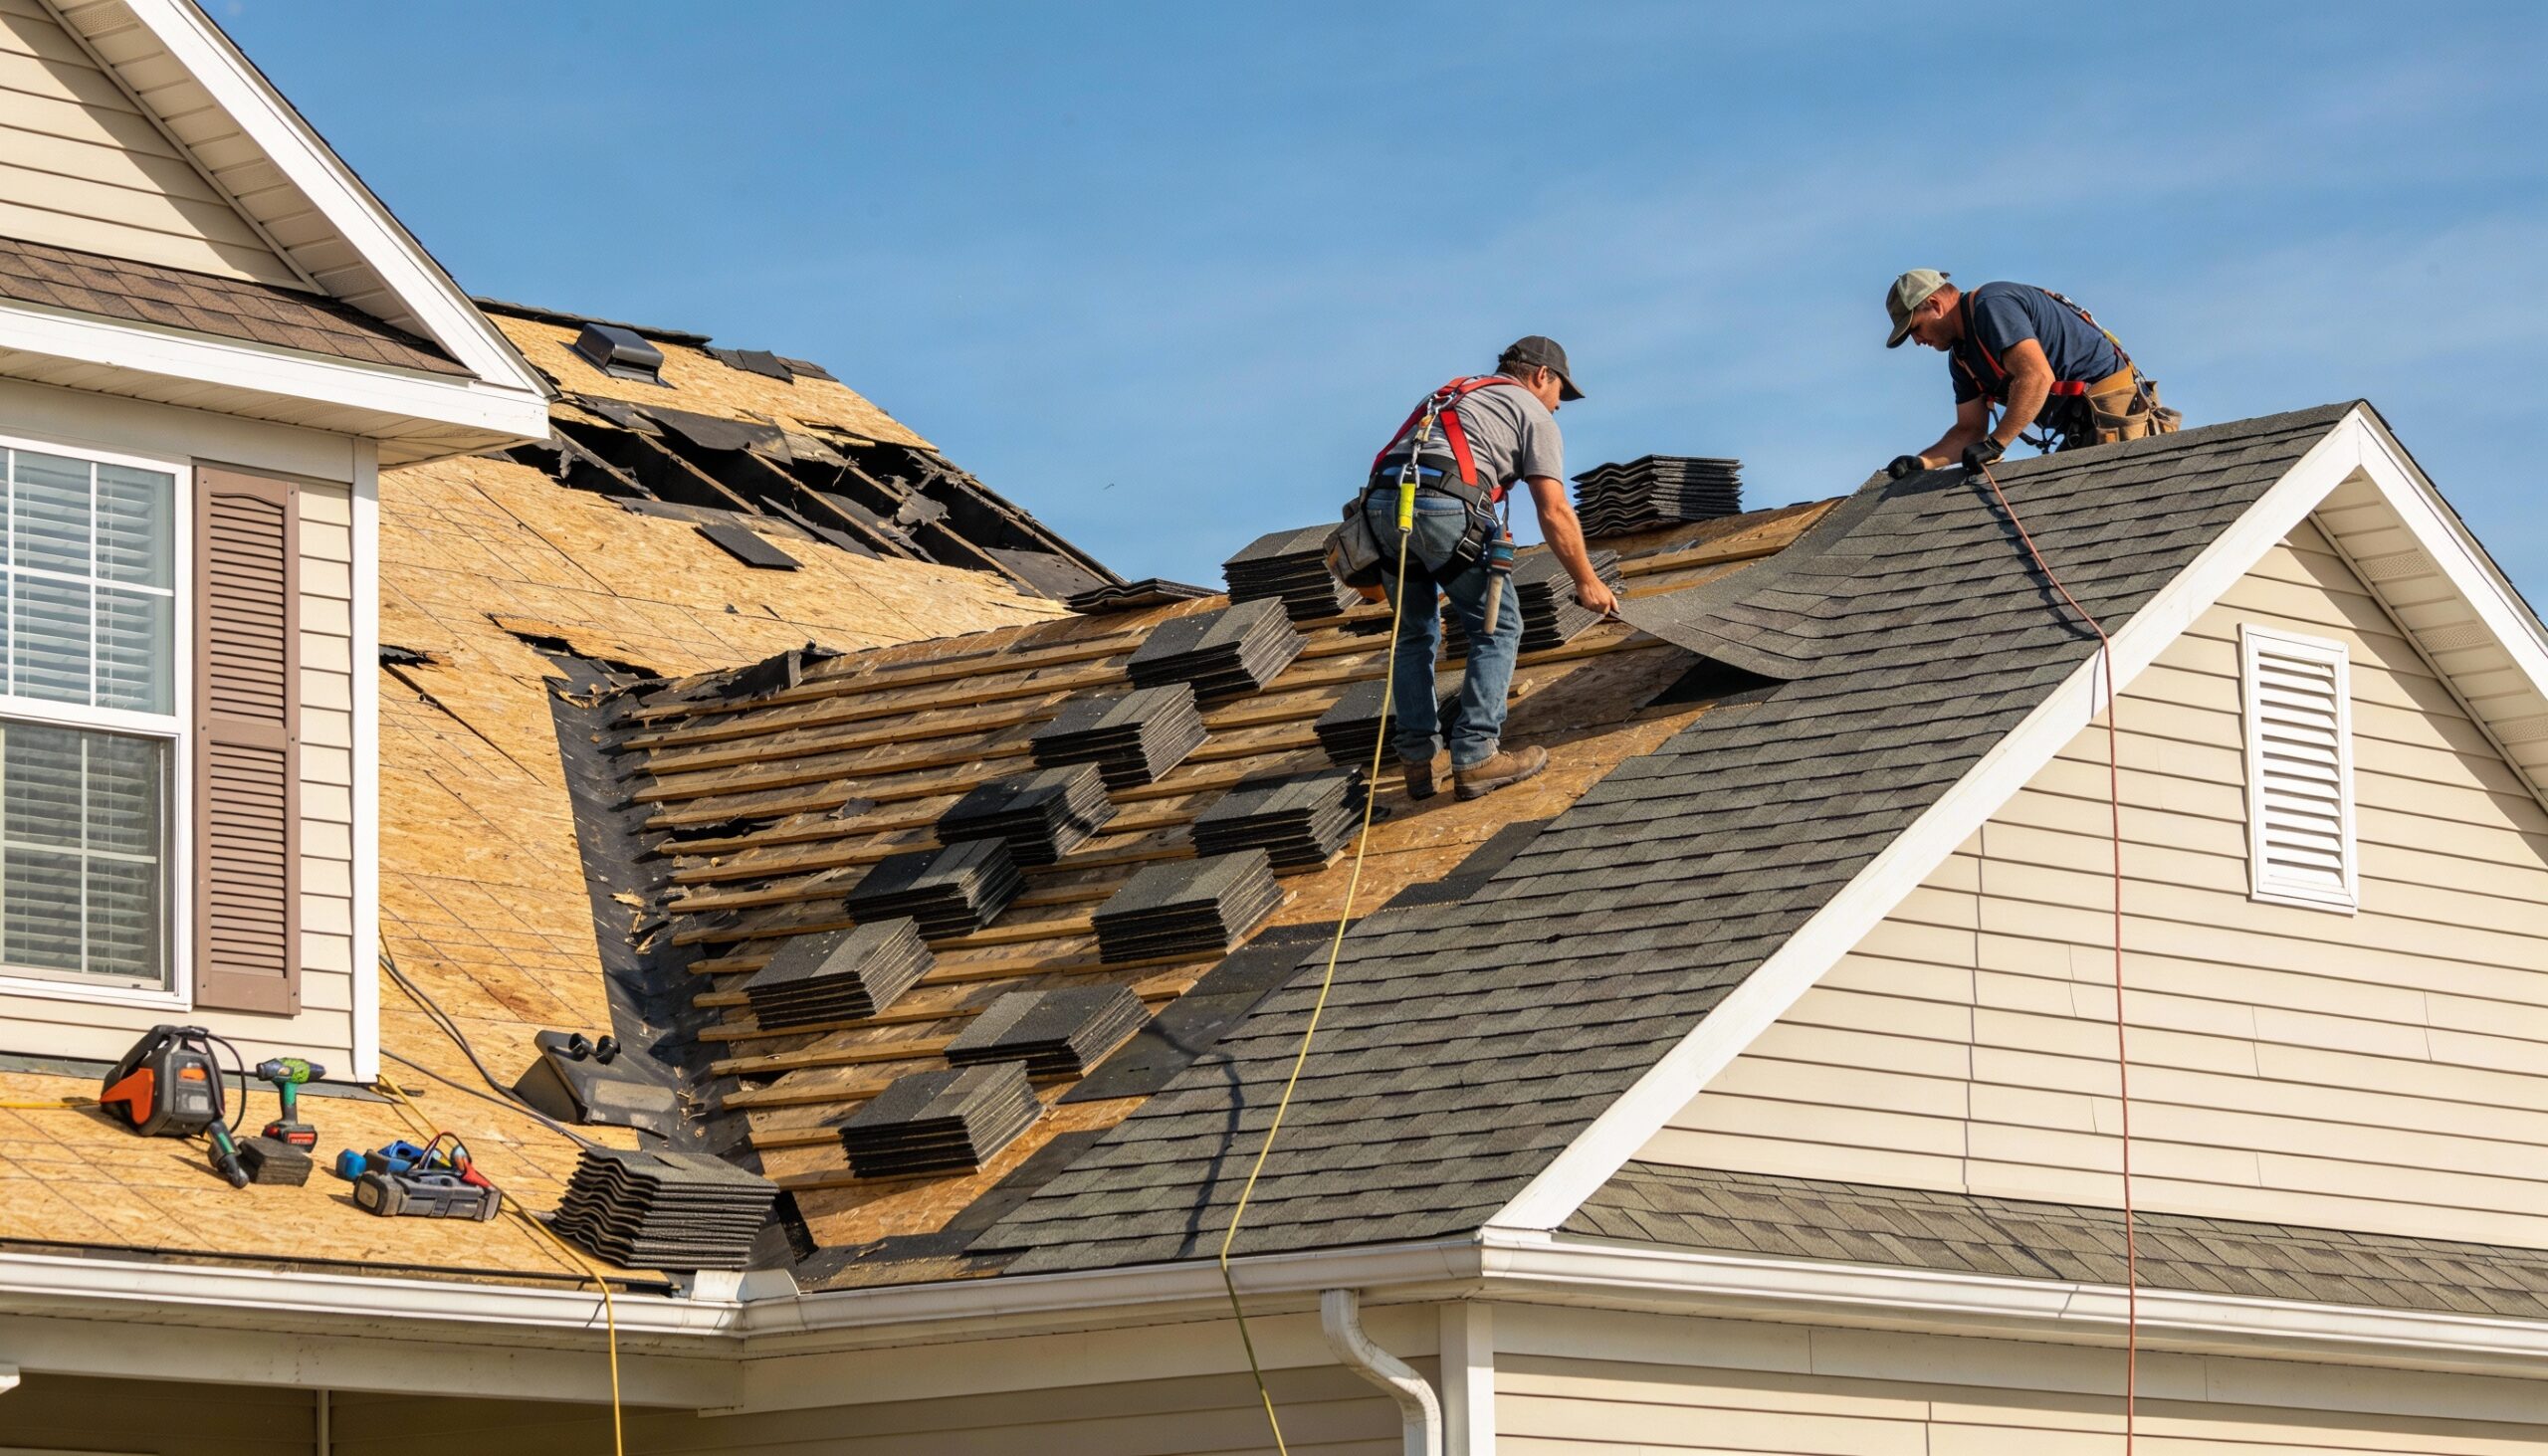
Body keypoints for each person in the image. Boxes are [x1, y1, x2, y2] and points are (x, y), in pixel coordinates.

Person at [1363, 335, 1620, 803]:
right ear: (1541, 375)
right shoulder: (1532, 412)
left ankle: (1420, 758)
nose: (1559, 405)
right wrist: (1588, 581)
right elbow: (1555, 508)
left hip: (1381, 509)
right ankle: (1477, 753)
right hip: (1441, 506)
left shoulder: (1450, 393)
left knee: (1413, 634)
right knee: (1498, 628)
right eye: (1560, 390)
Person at [1881, 270, 2178, 480]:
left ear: (1934, 305)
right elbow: (1969, 431)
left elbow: (2036, 377)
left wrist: (1996, 444)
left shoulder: (1990, 306)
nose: (1917, 341)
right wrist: (1923, 462)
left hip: (2115, 414)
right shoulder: (1961, 359)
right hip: (2083, 426)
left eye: (1915, 328)